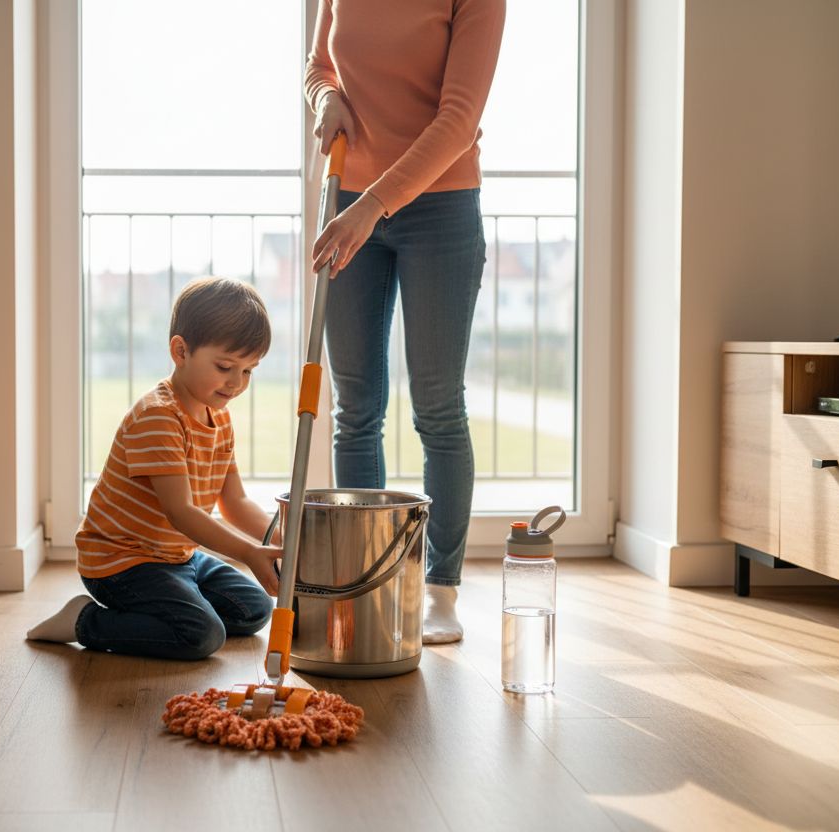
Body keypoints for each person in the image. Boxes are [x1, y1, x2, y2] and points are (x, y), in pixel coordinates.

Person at [305, 0, 506, 643]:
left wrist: (373, 205)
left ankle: (438, 590)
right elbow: (319, 65)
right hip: (349, 202)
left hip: (440, 207)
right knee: (355, 408)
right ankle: (365, 584)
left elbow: (458, 120)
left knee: (438, 407)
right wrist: (325, 99)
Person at [27, 277, 283, 660]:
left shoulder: (219, 417)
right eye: (225, 366)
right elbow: (181, 512)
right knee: (202, 635)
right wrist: (248, 552)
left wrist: (279, 542)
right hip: (121, 563)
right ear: (181, 351)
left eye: (248, 371)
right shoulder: (158, 417)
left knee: (255, 610)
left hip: (177, 556)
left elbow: (235, 502)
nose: (236, 383)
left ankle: (170, 605)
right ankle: (84, 621)